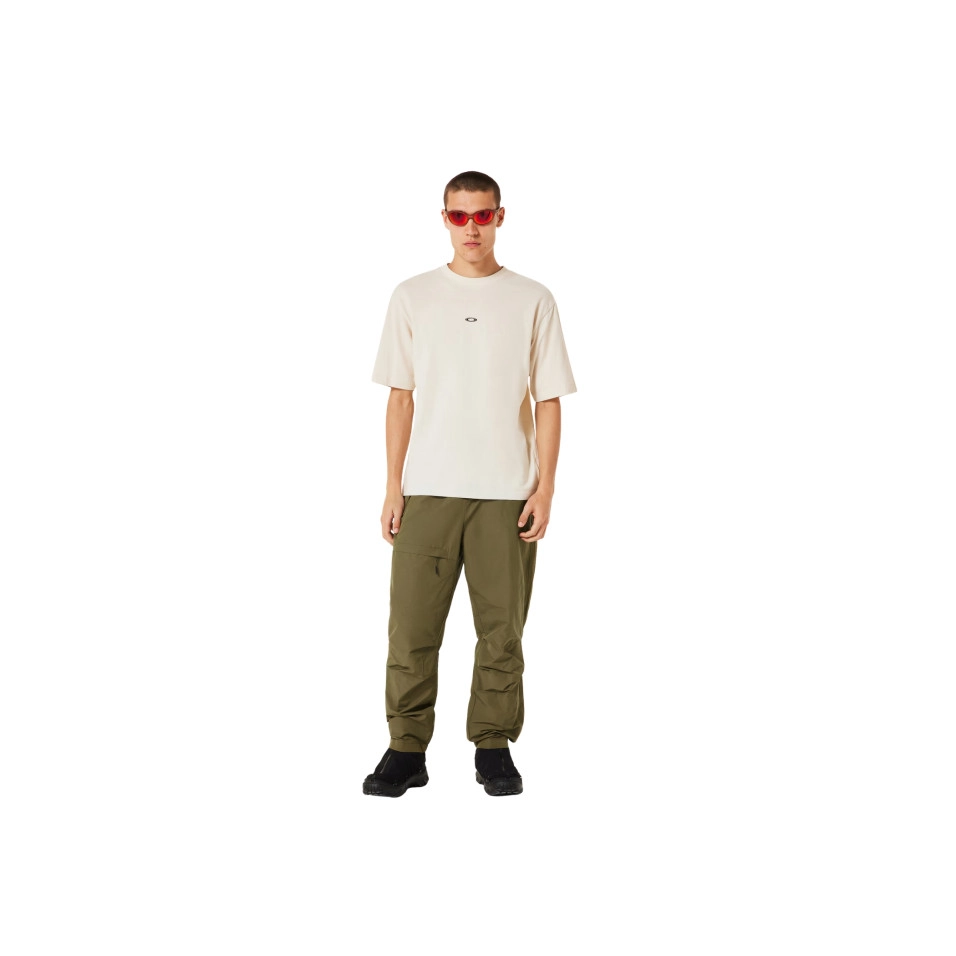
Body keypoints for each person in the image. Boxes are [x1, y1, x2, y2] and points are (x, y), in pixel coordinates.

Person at [364, 170, 577, 797]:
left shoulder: (533, 298)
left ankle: (493, 745)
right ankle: (407, 748)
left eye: (482, 215)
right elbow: (400, 398)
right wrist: (393, 486)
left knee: (502, 631)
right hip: (429, 488)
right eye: (459, 216)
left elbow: (548, 399)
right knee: (411, 629)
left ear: (500, 217)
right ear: (445, 219)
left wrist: (545, 488)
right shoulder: (413, 296)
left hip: (506, 491)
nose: (472, 228)